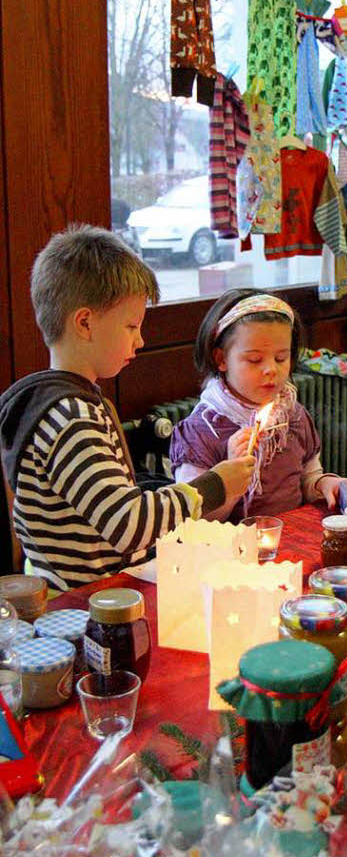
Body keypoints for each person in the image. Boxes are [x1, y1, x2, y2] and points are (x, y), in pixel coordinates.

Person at [0, 226, 255, 591]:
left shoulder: (61, 403)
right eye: (131, 326)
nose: (140, 339)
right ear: (85, 323)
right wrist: (214, 485)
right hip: (83, 603)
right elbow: (128, 525)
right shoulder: (71, 419)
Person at [170, 289, 347, 520]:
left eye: (281, 358)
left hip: (290, 540)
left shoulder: (294, 416)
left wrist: (324, 484)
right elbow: (194, 520)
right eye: (255, 360)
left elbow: (308, 478)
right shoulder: (201, 431)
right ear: (221, 359)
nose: (271, 369)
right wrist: (227, 480)